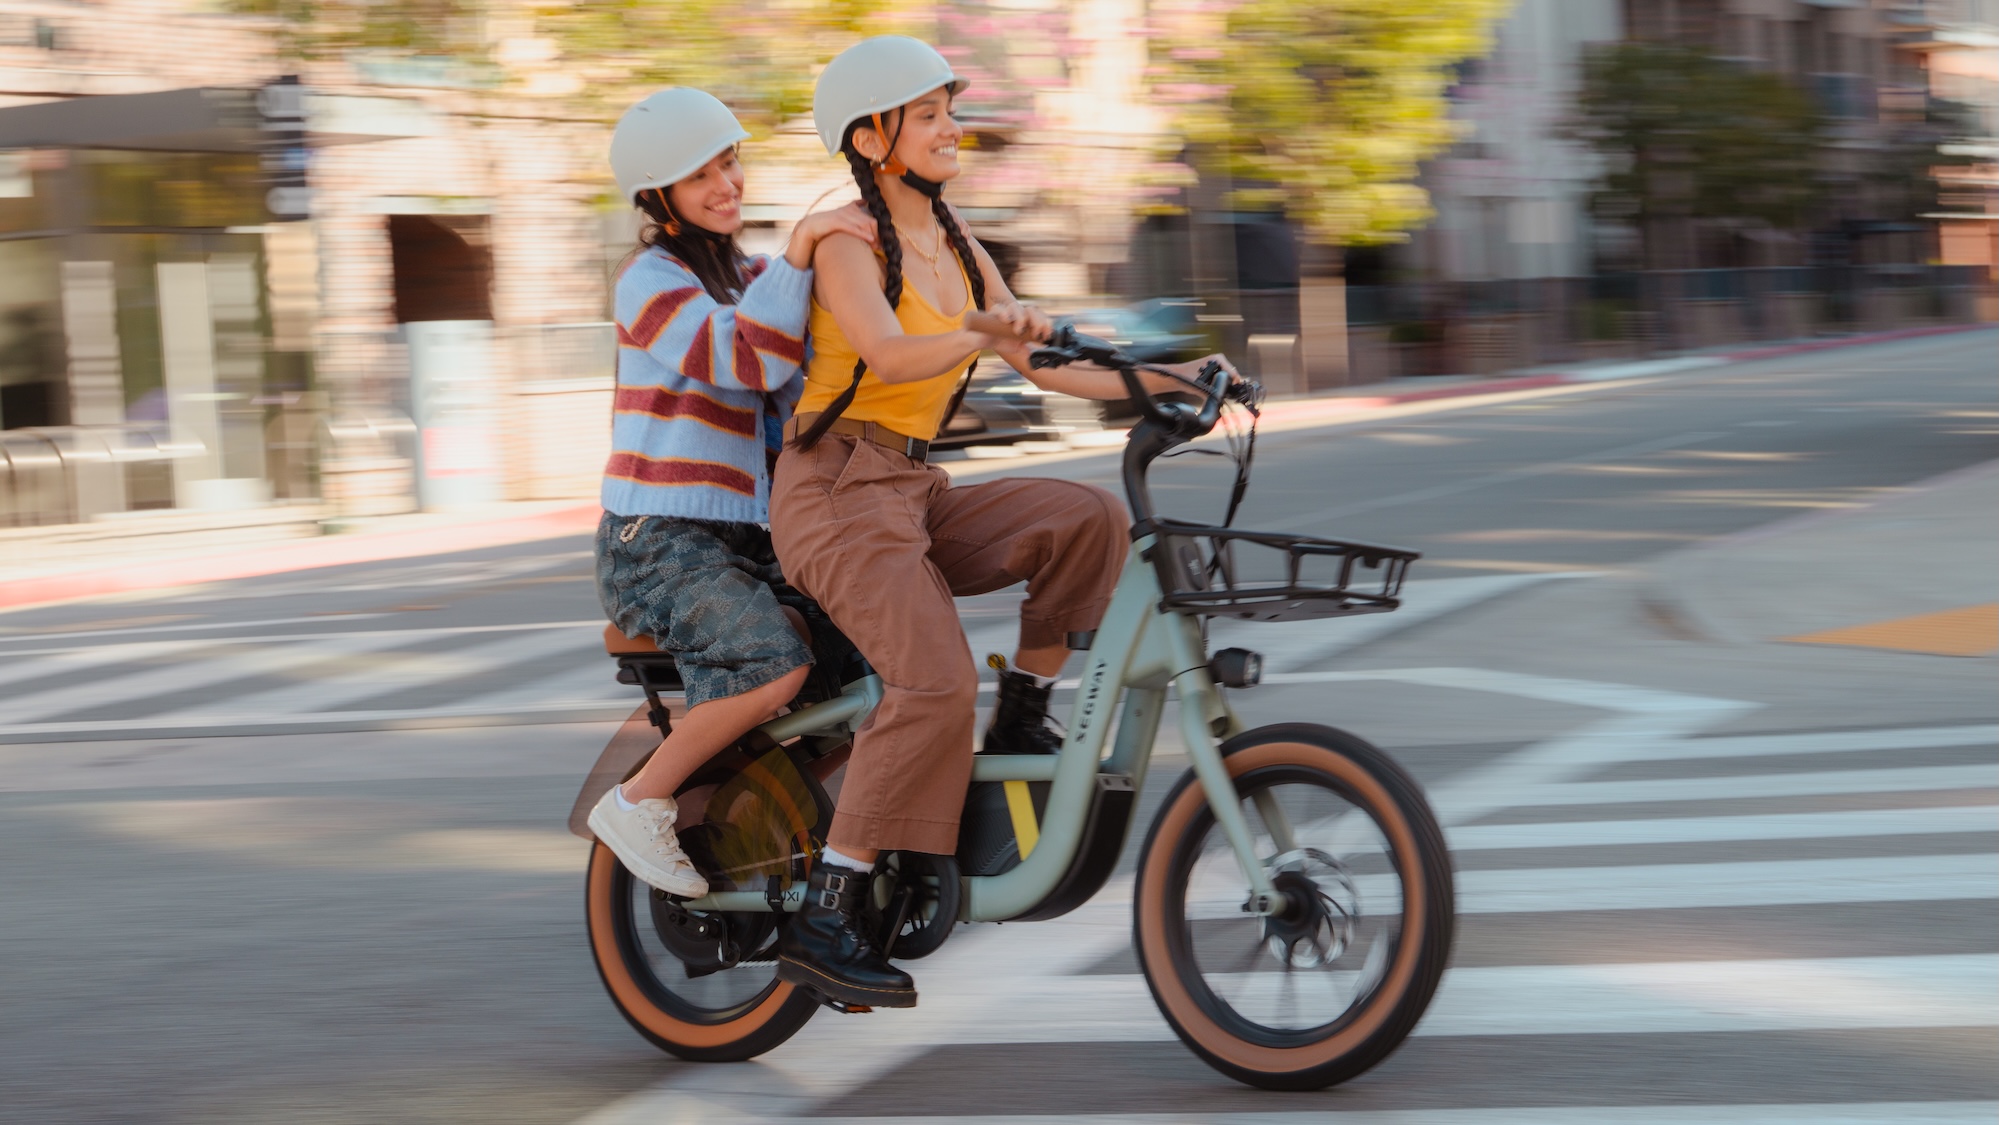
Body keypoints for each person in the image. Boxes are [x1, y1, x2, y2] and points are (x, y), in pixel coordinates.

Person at [768, 36, 1238, 1008]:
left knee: (1085, 521)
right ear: (872, 136)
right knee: (932, 680)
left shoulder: (955, 240)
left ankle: (1022, 711)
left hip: (911, 489)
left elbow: (1049, 361)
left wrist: (1175, 378)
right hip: (832, 491)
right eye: (929, 114)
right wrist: (980, 329)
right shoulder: (843, 236)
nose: (952, 128)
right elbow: (891, 355)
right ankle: (827, 908)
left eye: (951, 109)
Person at [587, 87, 876, 900]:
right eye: (700, 174)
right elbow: (746, 361)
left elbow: (803, 387)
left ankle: (808, 834)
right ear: (658, 196)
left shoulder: (750, 277)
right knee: (769, 663)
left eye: (729, 162)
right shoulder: (647, 280)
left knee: (864, 662)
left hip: (750, 537)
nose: (726, 184)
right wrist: (806, 244)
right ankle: (638, 802)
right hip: (657, 540)